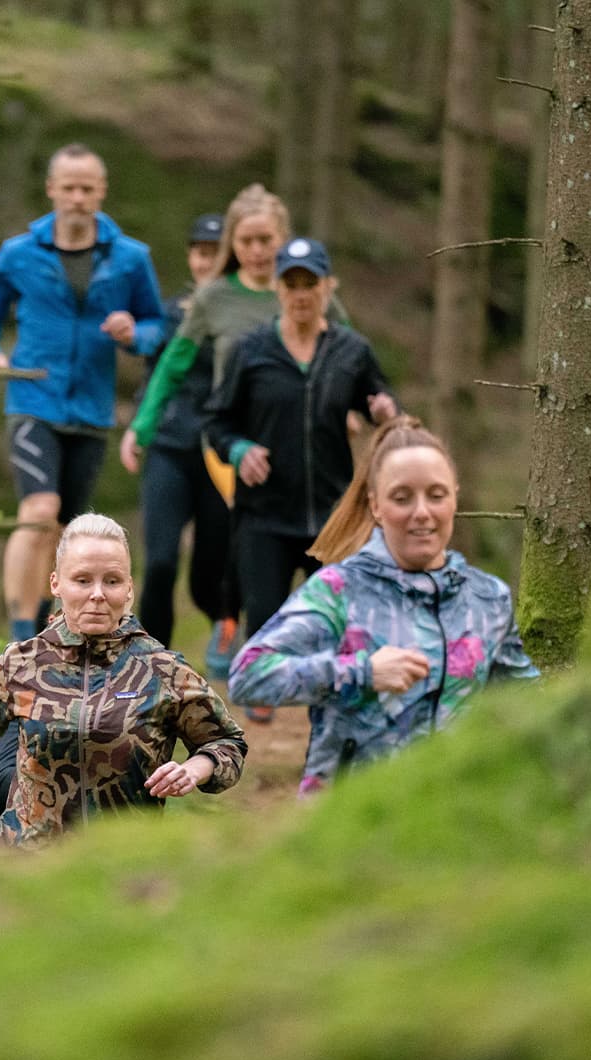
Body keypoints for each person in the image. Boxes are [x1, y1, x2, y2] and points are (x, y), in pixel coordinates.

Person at [227, 417, 538, 794]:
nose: (421, 512)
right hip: (347, 821)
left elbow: (529, 700)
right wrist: (361, 673)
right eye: (402, 498)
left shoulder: (488, 599)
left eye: (436, 495)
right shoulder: (339, 590)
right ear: (375, 505)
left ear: (455, 497)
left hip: (457, 818)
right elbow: (248, 676)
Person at [120, 184, 353, 678]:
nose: (257, 250)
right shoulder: (214, 297)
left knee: (293, 551)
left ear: (282, 238)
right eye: (246, 240)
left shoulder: (306, 288)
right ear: (233, 242)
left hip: (297, 445)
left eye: (266, 239)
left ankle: (280, 647)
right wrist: (141, 426)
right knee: (206, 549)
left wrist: (354, 406)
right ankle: (195, 650)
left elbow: (349, 353)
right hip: (229, 441)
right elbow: (172, 364)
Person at [0, 513, 247, 853]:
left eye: (112, 581)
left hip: (121, 866)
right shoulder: (21, 663)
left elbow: (228, 743)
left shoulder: (162, 670)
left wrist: (194, 770)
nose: (97, 594)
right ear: (56, 584)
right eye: (83, 580)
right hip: (24, 866)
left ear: (129, 587)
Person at [0, 144, 168, 644]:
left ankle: (42, 626)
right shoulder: (19, 253)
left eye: (88, 189)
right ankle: (18, 637)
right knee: (38, 510)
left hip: (92, 407)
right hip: (33, 396)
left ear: (101, 193)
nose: (78, 198)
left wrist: (133, 334)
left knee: (64, 530)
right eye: (69, 188)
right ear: (52, 190)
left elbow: (155, 325)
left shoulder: (129, 257)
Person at [204, 236, 398, 719]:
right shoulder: (252, 351)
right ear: (278, 289)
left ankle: (332, 711)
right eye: (291, 283)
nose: (301, 293)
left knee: (338, 625)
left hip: (332, 517)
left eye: (310, 282)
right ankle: (260, 708)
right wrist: (241, 449)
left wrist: (384, 410)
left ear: (328, 287)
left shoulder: (351, 350)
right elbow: (217, 422)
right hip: (264, 514)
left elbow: (382, 404)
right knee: (266, 622)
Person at [117, 211, 231, 659]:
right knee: (160, 561)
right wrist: (138, 430)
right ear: (190, 257)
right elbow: (152, 357)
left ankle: (226, 632)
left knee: (208, 574)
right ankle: (149, 660)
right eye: (201, 253)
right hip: (169, 447)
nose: (207, 263)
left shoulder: (245, 317)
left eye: (217, 255)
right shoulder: (173, 312)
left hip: (220, 455)